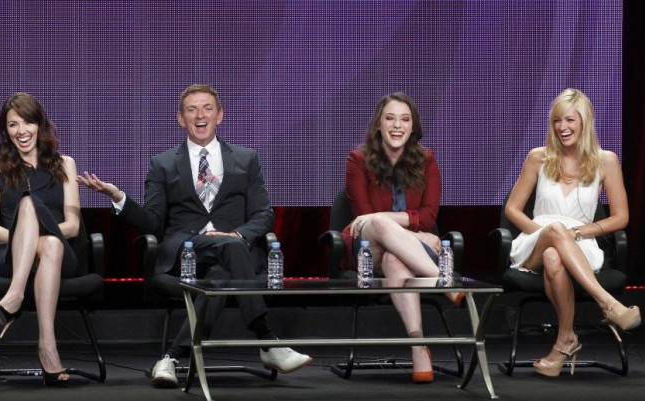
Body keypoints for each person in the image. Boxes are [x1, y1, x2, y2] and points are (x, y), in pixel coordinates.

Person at [77, 84, 312, 387]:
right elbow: (152, 222)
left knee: (220, 272)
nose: (200, 116)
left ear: (220, 116)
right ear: (180, 118)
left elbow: (264, 215)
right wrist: (120, 197)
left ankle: (171, 358)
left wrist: (238, 233)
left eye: (207, 108)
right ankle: (267, 341)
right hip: (186, 253)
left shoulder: (246, 159)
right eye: (192, 109)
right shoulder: (162, 163)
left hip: (230, 257)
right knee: (228, 250)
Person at [505, 88, 640, 377]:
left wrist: (576, 233)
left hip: (580, 245)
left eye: (569, 120)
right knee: (553, 240)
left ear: (584, 122)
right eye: (556, 121)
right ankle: (608, 303)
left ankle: (565, 340)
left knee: (555, 256)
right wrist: (544, 232)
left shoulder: (606, 161)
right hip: (534, 244)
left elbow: (621, 217)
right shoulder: (538, 157)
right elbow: (513, 210)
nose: (562, 128)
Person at [342, 92, 464, 384]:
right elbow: (365, 215)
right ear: (379, 125)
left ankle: (418, 345)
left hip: (410, 251)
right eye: (390, 118)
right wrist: (412, 226)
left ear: (413, 127)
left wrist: (413, 226)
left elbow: (429, 217)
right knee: (380, 223)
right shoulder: (358, 160)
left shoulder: (427, 160)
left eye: (405, 119)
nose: (397, 125)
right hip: (366, 246)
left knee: (396, 259)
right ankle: (442, 280)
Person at [0, 92, 80, 386]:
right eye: (13, 125)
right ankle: (47, 348)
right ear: (5, 131)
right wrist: (23, 239)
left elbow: (73, 225)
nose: (21, 131)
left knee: (48, 238)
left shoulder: (65, 165)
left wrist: (38, 232)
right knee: (28, 208)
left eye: (28, 122)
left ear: (40, 124)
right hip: (11, 256)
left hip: (60, 252)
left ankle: (13, 299)